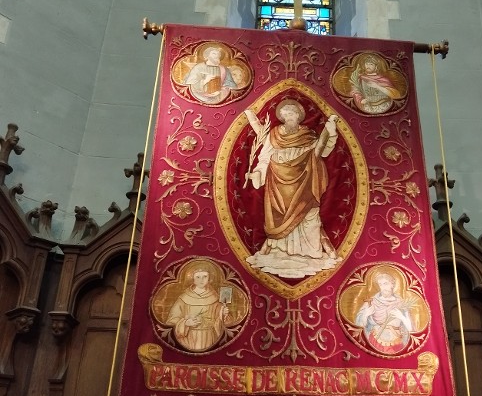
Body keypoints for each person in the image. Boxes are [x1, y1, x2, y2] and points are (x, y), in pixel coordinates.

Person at [244, 99, 339, 278]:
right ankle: (279, 253)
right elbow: (264, 156)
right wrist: (257, 173)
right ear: (281, 117)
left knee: (309, 215)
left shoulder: (308, 135)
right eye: (286, 114)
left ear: (299, 116)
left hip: (305, 179)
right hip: (278, 181)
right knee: (279, 217)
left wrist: (331, 134)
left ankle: (310, 253)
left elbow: (322, 151)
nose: (289, 116)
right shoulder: (273, 135)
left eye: (293, 113)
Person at [167, 268, 230, 351]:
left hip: (209, 337)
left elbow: (221, 323)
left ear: (209, 278)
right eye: (198, 277)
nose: (201, 280)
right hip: (189, 338)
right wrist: (185, 323)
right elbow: (172, 321)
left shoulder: (215, 297)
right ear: (192, 279)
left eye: (205, 276)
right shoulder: (183, 298)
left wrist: (223, 314)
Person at [355, 272, 414, 354]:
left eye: (385, 283)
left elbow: (411, 328)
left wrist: (402, 317)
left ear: (392, 284)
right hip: (376, 340)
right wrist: (366, 314)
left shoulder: (401, 303)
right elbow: (358, 324)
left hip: (396, 341)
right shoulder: (372, 301)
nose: (383, 287)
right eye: (380, 284)